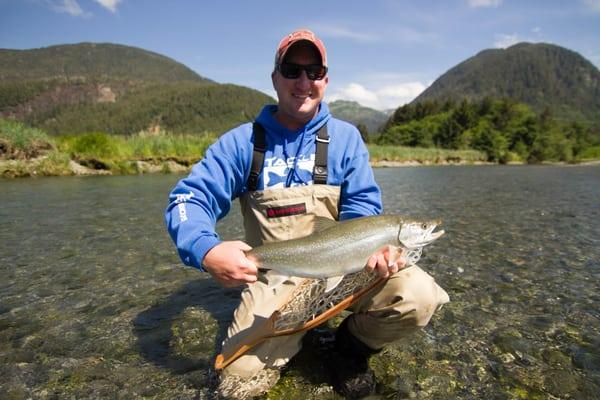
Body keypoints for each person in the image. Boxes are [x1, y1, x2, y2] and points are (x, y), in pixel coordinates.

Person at [165, 29, 449, 399]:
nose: (303, 82)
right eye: (292, 70)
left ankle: (349, 348)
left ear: (325, 80)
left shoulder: (346, 140)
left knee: (418, 295)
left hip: (347, 268)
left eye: (313, 72)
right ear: (275, 78)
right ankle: (298, 335)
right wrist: (206, 250)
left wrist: (378, 255)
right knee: (237, 384)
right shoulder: (242, 143)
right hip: (275, 277)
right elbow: (188, 201)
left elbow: (363, 210)